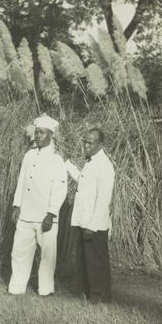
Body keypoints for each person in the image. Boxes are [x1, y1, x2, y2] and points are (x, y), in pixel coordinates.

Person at [8, 115, 67, 296]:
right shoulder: (29, 155)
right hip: (26, 214)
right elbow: (22, 182)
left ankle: (45, 290)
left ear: (51, 135)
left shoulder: (57, 159)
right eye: (37, 132)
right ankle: (16, 288)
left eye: (42, 132)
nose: (38, 136)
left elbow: (60, 189)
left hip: (45, 217)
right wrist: (17, 206)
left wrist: (51, 214)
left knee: (47, 256)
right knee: (19, 252)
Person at [65, 128, 115, 303]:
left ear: (100, 145)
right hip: (83, 220)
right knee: (85, 259)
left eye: (90, 143)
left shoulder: (105, 166)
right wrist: (68, 164)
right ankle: (89, 292)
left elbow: (103, 200)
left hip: (94, 224)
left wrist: (92, 227)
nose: (86, 145)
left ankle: (100, 296)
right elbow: (84, 182)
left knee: (96, 261)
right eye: (84, 141)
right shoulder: (92, 162)